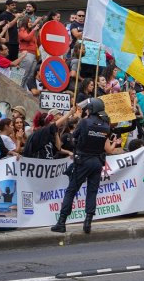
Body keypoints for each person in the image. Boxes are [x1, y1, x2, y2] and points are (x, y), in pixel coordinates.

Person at [51, 98, 121, 234]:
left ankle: (61, 222)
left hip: (83, 161)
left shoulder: (84, 122)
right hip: (97, 162)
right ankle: (88, 222)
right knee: (92, 192)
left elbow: (72, 139)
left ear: (92, 109)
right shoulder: (106, 126)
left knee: (71, 190)